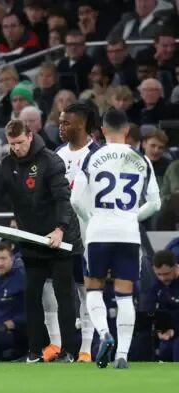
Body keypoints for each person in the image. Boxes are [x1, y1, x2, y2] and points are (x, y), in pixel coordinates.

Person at [0, 119, 83, 363]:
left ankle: (69, 351)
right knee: (31, 296)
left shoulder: (51, 161)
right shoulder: (7, 164)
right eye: (12, 144)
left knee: (64, 294)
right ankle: (35, 350)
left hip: (60, 238)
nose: (16, 148)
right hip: (31, 239)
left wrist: (60, 229)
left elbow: (63, 199)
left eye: (20, 142)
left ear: (30, 136)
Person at [70, 109, 161, 369]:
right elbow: (155, 203)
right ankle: (122, 354)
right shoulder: (142, 159)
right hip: (128, 233)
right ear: (127, 131)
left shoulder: (91, 156)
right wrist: (132, 216)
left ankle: (104, 334)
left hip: (99, 231)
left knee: (93, 288)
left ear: (102, 131)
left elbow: (75, 199)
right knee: (124, 295)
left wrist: (91, 218)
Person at [38, 102, 101, 363]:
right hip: (58, 232)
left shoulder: (98, 156)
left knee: (86, 290)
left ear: (82, 125)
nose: (60, 127)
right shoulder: (57, 154)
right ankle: (55, 343)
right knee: (48, 286)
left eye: (66, 122)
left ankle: (86, 348)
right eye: (60, 122)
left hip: (86, 234)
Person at [146, 250, 179, 361]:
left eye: (166, 274)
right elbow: (150, 309)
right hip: (168, 331)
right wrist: (159, 330)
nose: (163, 278)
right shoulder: (157, 285)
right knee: (164, 348)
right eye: (158, 274)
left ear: (175, 267)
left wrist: (174, 330)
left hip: (176, 330)